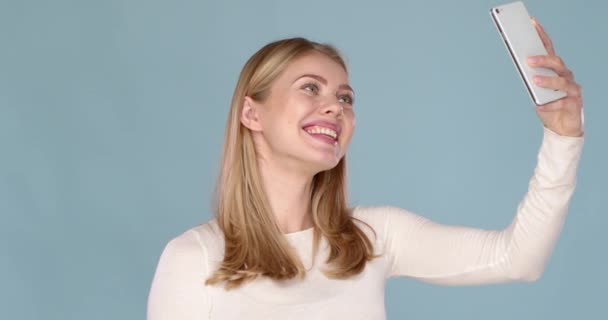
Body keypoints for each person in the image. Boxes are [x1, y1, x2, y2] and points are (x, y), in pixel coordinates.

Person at [147, 19, 584, 319]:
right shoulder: (195, 258)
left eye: (345, 98)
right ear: (251, 114)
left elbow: (517, 259)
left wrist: (563, 136)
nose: (334, 107)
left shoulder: (371, 239)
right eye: (310, 88)